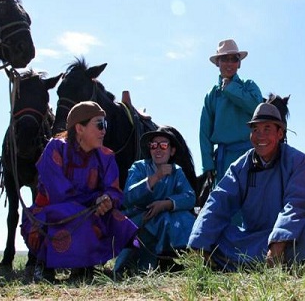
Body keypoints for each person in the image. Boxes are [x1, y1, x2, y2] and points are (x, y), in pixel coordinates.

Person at [188, 103, 305, 271]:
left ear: (280, 133)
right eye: (255, 130)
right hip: (255, 239)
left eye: (267, 129)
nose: (260, 136)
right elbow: (218, 201)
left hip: (286, 237)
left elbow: (298, 203)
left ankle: (283, 264)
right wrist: (199, 243)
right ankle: (265, 264)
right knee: (215, 236)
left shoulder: (298, 161)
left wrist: (278, 243)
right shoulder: (240, 166)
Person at [21, 101, 139, 281]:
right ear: (79, 128)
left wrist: (107, 199)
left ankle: (85, 265)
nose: (104, 131)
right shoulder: (55, 148)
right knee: (72, 213)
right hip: (53, 214)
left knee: (118, 220)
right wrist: (95, 202)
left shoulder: (106, 157)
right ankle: (45, 263)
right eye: (99, 125)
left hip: (90, 211)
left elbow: (114, 190)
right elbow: (59, 193)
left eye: (105, 125)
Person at [115, 126, 196, 273]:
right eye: (154, 145)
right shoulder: (138, 167)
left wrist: (166, 204)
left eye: (163, 145)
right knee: (132, 263)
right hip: (140, 219)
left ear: (172, 151)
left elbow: (190, 197)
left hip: (164, 217)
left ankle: (168, 256)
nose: (158, 149)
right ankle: (141, 263)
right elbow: (127, 197)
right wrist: (155, 177)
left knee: (185, 218)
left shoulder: (176, 171)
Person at [200, 39, 263, 184]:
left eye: (233, 59)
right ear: (218, 63)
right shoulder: (211, 95)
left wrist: (229, 88)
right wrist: (208, 165)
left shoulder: (249, 86)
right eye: (224, 59)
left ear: (239, 63)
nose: (229, 63)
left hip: (251, 155)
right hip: (223, 160)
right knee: (224, 203)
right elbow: (204, 132)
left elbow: (257, 108)